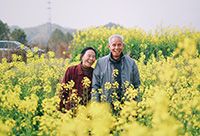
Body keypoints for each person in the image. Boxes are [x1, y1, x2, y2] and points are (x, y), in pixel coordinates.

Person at [92, 34, 140, 103]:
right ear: (109, 46)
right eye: (114, 45)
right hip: (106, 105)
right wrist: (96, 106)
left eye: (119, 45)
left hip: (127, 106)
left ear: (123, 46)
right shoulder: (100, 63)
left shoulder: (131, 63)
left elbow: (137, 85)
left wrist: (136, 105)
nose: (116, 48)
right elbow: (95, 87)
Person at [59, 47, 97, 112]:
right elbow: (63, 91)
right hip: (71, 110)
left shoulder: (95, 73)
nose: (91, 58)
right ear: (82, 57)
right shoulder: (71, 70)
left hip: (87, 112)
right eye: (89, 56)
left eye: (93, 57)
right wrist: (60, 110)